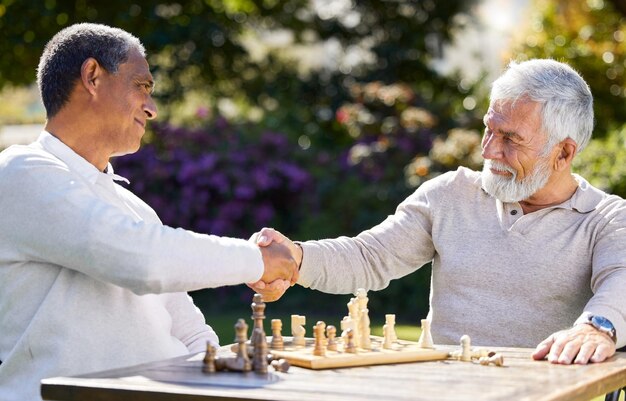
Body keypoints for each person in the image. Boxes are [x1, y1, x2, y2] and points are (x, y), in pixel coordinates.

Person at [250, 59, 626, 365]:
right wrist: (296, 259)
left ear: (564, 153)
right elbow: (370, 256)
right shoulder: (450, 194)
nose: (488, 151)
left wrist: (598, 327)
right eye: (489, 130)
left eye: (511, 139)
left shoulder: (606, 219)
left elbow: (621, 282)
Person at [0, 23, 298, 401]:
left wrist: (230, 378)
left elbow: (188, 329)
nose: (152, 108)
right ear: (92, 76)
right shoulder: (19, 173)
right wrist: (257, 260)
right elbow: (142, 260)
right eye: (142, 86)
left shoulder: (133, 209)